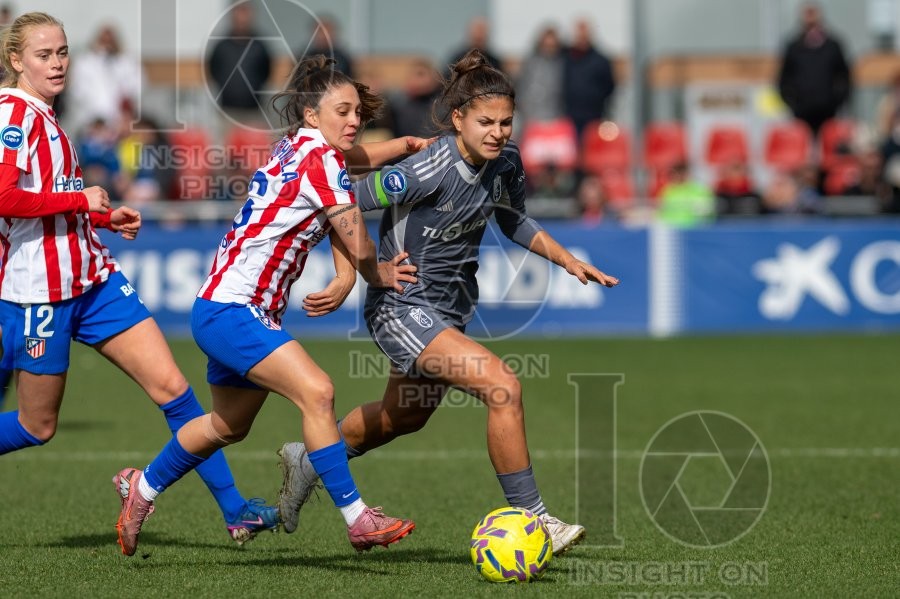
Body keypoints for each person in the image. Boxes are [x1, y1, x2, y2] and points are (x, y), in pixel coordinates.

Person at [277, 49, 620, 556]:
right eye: (486, 121)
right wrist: (356, 273)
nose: (498, 132)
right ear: (458, 119)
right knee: (502, 386)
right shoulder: (425, 169)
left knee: (402, 417)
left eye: (506, 122)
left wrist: (566, 259)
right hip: (400, 305)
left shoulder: (507, 162)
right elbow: (338, 199)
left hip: (449, 309)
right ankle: (536, 518)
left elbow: (513, 220)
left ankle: (308, 459)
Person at [113, 55, 430, 557]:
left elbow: (354, 158)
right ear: (311, 115)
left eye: (357, 114)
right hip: (236, 310)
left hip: (221, 306)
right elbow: (361, 242)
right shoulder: (320, 159)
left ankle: (142, 489)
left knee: (225, 426)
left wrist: (403, 148)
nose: (353, 121)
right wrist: (376, 274)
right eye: (342, 112)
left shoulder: (302, 147)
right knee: (318, 392)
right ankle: (358, 517)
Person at [0, 11, 279, 547]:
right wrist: (81, 199)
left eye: (62, 52)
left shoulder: (48, 114)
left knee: (174, 387)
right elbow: (5, 197)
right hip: (41, 293)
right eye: (43, 54)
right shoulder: (15, 116)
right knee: (38, 426)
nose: (57, 63)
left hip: (94, 279)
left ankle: (236, 509)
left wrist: (102, 216)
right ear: (16, 60)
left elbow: (51, 199)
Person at [776, 2, 852, 137]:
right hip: (801, 112)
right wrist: (793, 103)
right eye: (807, 13)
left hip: (828, 111)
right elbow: (783, 79)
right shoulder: (793, 47)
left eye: (813, 12)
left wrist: (837, 101)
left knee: (828, 145)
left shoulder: (833, 46)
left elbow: (844, 76)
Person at [66, 24, 144, 137]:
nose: (107, 45)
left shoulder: (127, 61)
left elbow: (138, 86)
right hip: (91, 119)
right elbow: (77, 91)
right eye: (104, 41)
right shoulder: (84, 62)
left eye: (110, 41)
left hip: (120, 122)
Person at [206, 2, 272, 127]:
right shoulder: (222, 46)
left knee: (254, 145)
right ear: (232, 16)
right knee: (227, 145)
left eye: (245, 13)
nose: (242, 18)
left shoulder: (259, 46)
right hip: (227, 110)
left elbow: (266, 72)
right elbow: (213, 71)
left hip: (254, 110)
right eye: (238, 13)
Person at [562, 18, 616, 138]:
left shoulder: (601, 60)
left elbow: (609, 86)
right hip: (569, 115)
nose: (582, 37)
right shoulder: (565, 58)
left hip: (594, 115)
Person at [516, 25, 565, 131]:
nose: (549, 48)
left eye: (552, 46)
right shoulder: (530, 63)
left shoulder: (562, 64)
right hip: (531, 119)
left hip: (555, 120)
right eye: (546, 45)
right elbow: (521, 89)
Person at [657, 162, 716, 227]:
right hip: (672, 228)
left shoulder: (699, 190)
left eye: (681, 173)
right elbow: (661, 210)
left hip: (694, 228)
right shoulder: (668, 191)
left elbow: (708, 211)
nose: (678, 176)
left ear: (687, 174)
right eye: (676, 173)